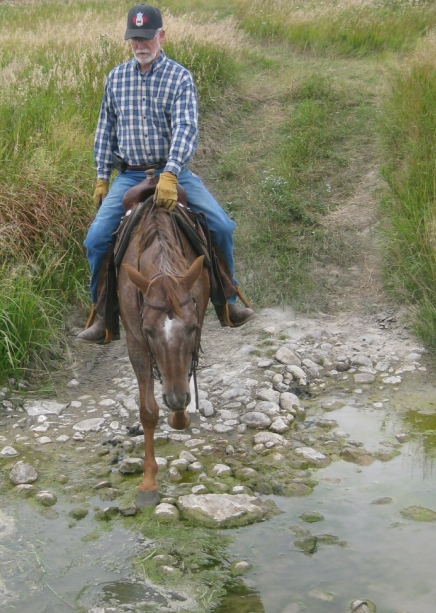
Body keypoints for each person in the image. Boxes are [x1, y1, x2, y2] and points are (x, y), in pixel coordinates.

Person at [77, 3, 255, 344]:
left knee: (221, 226)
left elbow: (186, 129)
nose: (140, 45)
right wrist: (102, 177)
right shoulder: (116, 78)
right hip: (129, 176)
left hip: (173, 172)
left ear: (161, 36)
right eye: (134, 39)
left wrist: (172, 173)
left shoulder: (180, 77)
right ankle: (104, 314)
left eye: (146, 38)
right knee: (96, 239)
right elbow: (105, 130)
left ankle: (226, 302)